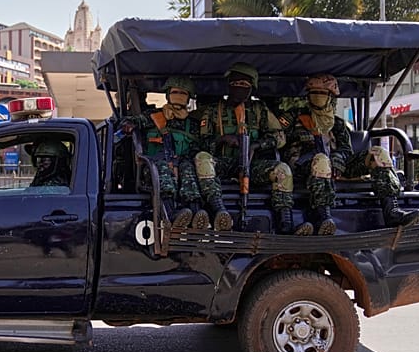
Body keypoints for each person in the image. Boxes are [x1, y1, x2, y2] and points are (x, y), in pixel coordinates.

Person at [279, 74, 419, 235]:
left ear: (332, 97)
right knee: (321, 160)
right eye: (314, 93)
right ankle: (323, 217)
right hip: (302, 169)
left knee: (379, 153)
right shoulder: (294, 118)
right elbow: (278, 141)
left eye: (323, 93)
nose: (318, 97)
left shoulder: (338, 125)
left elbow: (345, 150)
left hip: (337, 168)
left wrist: (338, 160)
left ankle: (392, 211)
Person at [194, 63, 312, 235]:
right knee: (202, 158)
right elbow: (201, 143)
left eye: (244, 84)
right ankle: (219, 211)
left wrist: (256, 145)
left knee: (283, 170)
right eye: (235, 83)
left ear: (252, 87)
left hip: (253, 164)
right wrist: (222, 140)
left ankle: (286, 222)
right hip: (223, 164)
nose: (238, 88)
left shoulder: (260, 111)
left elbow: (279, 138)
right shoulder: (214, 111)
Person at [119, 77, 211, 229]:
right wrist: (128, 124)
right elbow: (131, 121)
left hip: (181, 165)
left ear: (189, 98)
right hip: (154, 166)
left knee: (189, 170)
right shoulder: (154, 116)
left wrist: (180, 162)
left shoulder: (192, 124)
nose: (178, 95)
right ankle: (171, 213)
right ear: (168, 94)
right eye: (175, 92)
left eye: (183, 93)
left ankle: (195, 214)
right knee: (162, 170)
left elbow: (197, 149)